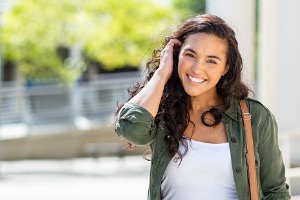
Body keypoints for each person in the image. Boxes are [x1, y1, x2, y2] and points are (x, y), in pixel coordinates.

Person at [114, 14, 291, 200]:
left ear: (226, 68)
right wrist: (162, 73)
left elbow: (275, 192)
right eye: (190, 55)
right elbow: (130, 129)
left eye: (211, 61)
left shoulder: (255, 117)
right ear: (177, 56)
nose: (197, 69)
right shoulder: (162, 110)